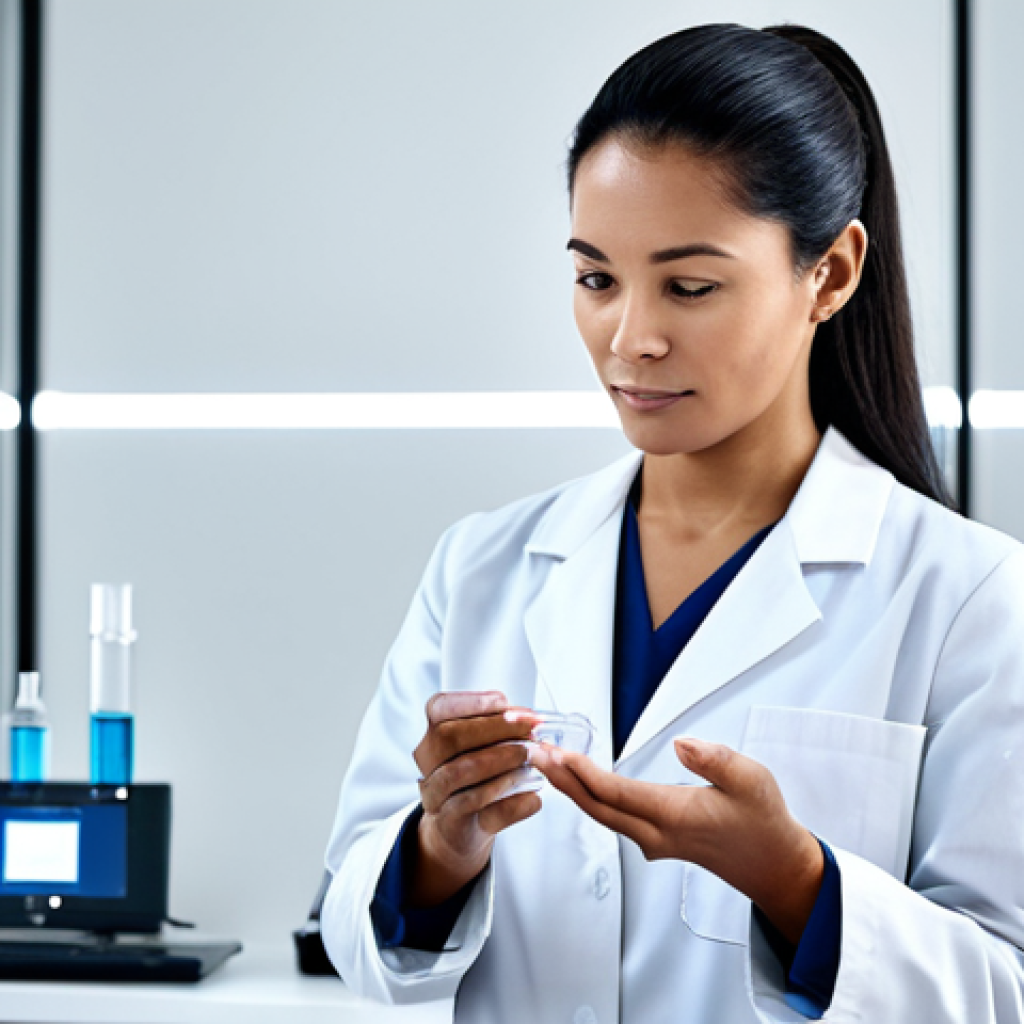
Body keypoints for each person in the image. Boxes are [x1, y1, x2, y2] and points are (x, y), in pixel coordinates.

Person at [321, 22, 1024, 1024]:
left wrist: (792, 881)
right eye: (596, 278)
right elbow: (356, 927)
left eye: (689, 286)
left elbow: (1004, 986)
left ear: (828, 273)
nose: (630, 338)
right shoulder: (483, 566)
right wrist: (439, 846)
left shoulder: (966, 595)